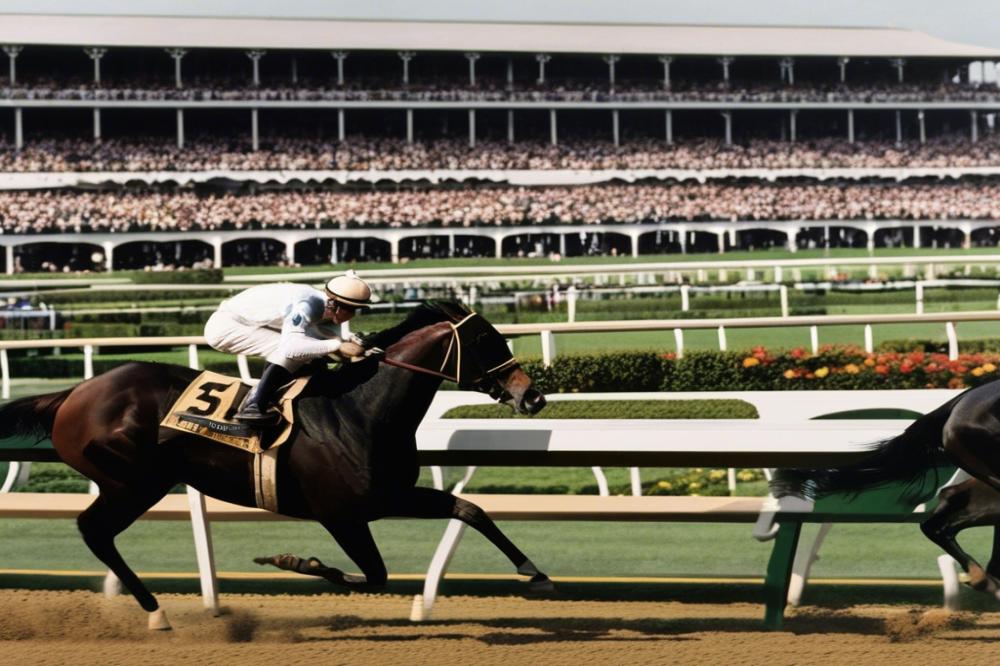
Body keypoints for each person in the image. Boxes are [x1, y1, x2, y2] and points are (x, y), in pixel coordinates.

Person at [204, 271, 373, 425]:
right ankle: (254, 405)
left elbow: (315, 333)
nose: (352, 315)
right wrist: (337, 345)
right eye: (351, 309)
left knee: (310, 352)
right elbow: (292, 348)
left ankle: (271, 396)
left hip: (245, 323)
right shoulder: (309, 304)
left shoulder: (321, 302)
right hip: (225, 327)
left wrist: (343, 341)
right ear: (335, 304)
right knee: (293, 350)